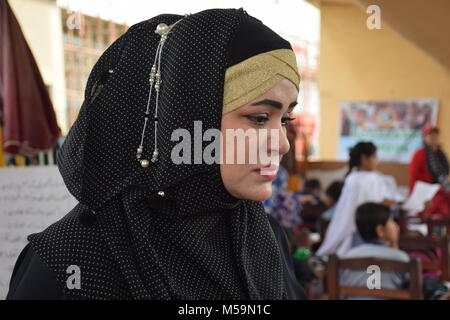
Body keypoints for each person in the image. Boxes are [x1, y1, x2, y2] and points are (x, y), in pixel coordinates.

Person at [7, 9, 305, 300]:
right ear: (185, 116)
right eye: (259, 118)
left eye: (285, 119)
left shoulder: (262, 237)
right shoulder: (74, 257)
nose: (282, 144)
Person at [340, 203, 449, 300]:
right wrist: (395, 246)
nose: (396, 226)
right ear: (380, 230)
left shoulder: (347, 257)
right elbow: (412, 291)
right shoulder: (399, 258)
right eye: (391, 221)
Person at [316, 142, 397, 257]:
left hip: (377, 227)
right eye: (374, 157)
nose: (377, 161)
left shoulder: (375, 177)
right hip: (357, 230)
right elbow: (358, 207)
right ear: (364, 159)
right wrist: (379, 205)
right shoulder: (355, 180)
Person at [409, 126, 450, 217]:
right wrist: (432, 185)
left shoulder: (441, 154)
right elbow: (414, 175)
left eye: (435, 134)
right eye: (430, 135)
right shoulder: (420, 154)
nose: (433, 137)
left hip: (441, 190)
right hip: (426, 191)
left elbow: (444, 174)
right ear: (424, 137)